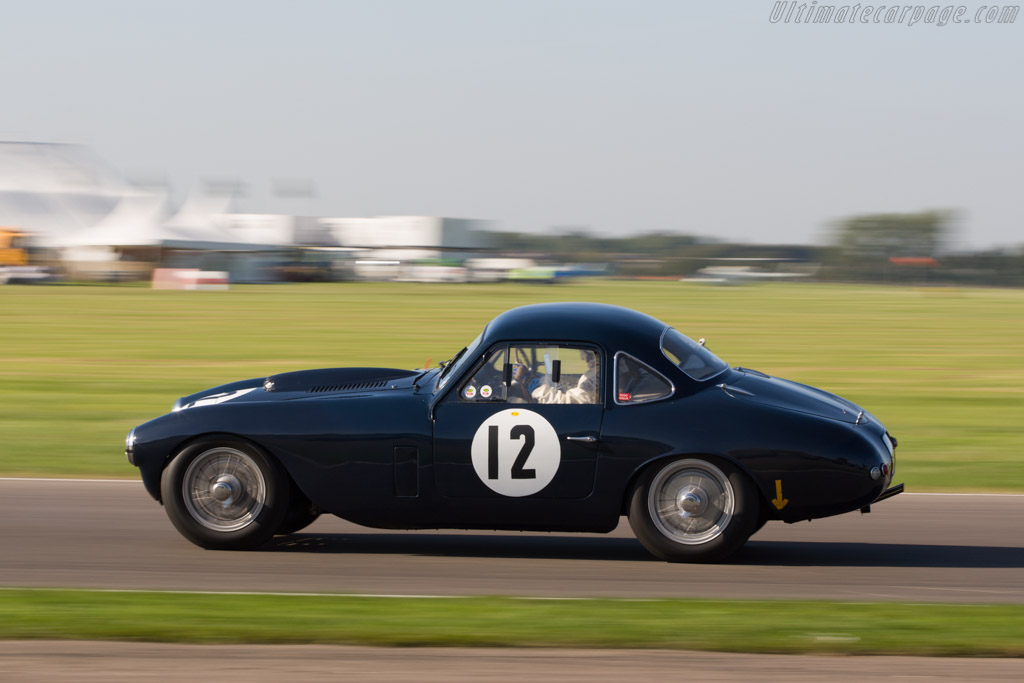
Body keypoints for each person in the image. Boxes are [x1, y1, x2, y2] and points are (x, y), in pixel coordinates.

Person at [516, 349, 598, 404]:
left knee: (514, 400)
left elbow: (567, 402)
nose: (582, 358)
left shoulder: (596, 375)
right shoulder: (596, 371)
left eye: (584, 353)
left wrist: (534, 386)